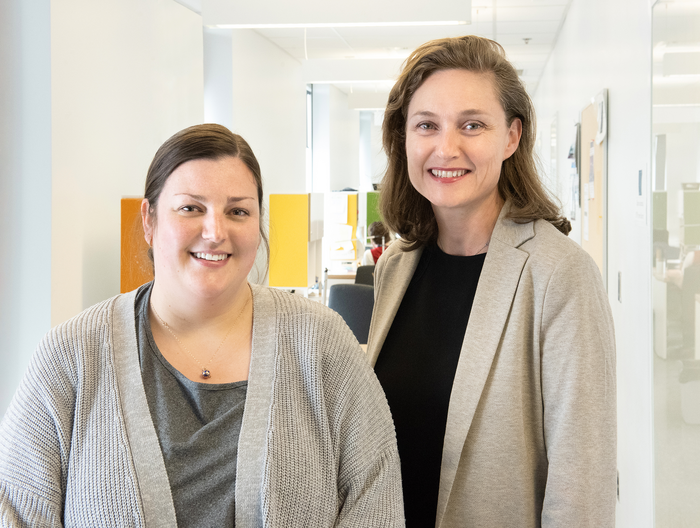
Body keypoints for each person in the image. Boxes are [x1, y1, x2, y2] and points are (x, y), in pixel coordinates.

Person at [0, 124, 404, 527]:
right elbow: (15, 512)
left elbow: (376, 498)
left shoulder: (322, 344)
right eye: (191, 208)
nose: (215, 232)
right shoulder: (72, 355)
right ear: (149, 219)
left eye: (238, 211)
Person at [367, 36, 616, 527]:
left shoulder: (559, 274)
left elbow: (582, 483)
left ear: (511, 137)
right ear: (404, 139)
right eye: (426, 126)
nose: (446, 147)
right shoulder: (396, 266)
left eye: (472, 125)